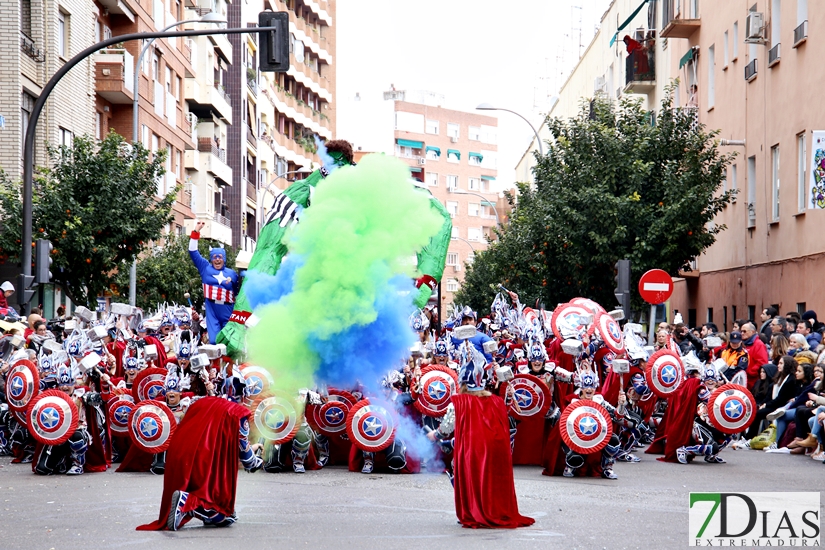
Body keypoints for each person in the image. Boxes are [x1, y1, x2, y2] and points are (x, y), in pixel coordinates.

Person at [137, 397, 262, 531]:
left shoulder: (202, 404)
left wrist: (252, 448)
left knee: (215, 498)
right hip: (203, 457)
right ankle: (189, 503)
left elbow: (229, 444)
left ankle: (202, 510)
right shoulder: (239, 414)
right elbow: (246, 456)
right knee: (225, 517)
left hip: (178, 451)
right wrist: (256, 461)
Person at [448, 355, 534, 529]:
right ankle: (497, 510)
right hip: (498, 448)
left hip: (474, 449)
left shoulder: (460, 401)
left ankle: (473, 511)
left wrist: (434, 435)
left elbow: (446, 426)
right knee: (494, 481)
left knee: (466, 474)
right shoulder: (497, 401)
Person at [188, 221, 239, 344]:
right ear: (211, 259)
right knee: (214, 342)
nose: (217, 259)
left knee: (229, 341)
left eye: (220, 257)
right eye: (214, 257)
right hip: (211, 308)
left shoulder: (232, 273)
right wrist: (196, 231)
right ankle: (215, 363)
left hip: (228, 308)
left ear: (224, 259)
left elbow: (238, 293)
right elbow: (193, 251)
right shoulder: (205, 268)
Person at [745, 356, 801, 439]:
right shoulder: (780, 377)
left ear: (787, 365)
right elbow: (771, 395)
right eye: (778, 363)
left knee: (758, 414)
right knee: (757, 411)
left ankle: (749, 438)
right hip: (775, 404)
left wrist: (766, 405)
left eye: (781, 363)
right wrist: (764, 404)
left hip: (782, 406)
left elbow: (781, 399)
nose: (778, 365)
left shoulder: (791, 379)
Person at [741, 323, 769, 389]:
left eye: (744, 331)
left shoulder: (758, 344)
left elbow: (762, 363)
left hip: (753, 382)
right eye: (741, 331)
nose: (742, 333)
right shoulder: (743, 344)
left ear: (752, 332)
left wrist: (748, 372)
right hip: (744, 380)